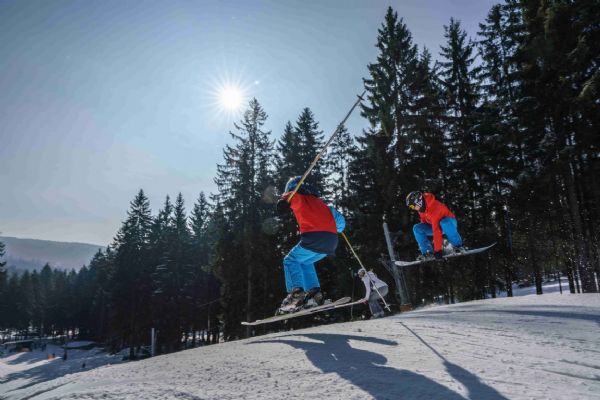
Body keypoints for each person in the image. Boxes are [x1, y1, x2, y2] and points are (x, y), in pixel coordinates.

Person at [276, 176, 345, 313]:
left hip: (313, 237)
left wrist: (284, 201)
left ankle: (296, 295)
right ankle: (315, 294)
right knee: (305, 262)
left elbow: (291, 197)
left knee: (290, 260)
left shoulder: (299, 198)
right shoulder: (325, 206)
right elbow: (341, 224)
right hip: (331, 242)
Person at [405, 191, 465, 261]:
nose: (412, 208)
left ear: (419, 202)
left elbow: (437, 231)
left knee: (444, 223)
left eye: (412, 206)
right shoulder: (421, 209)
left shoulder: (434, 208)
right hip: (436, 226)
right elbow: (424, 223)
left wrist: (438, 250)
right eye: (410, 207)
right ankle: (427, 253)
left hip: (450, 223)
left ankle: (458, 246)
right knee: (417, 228)